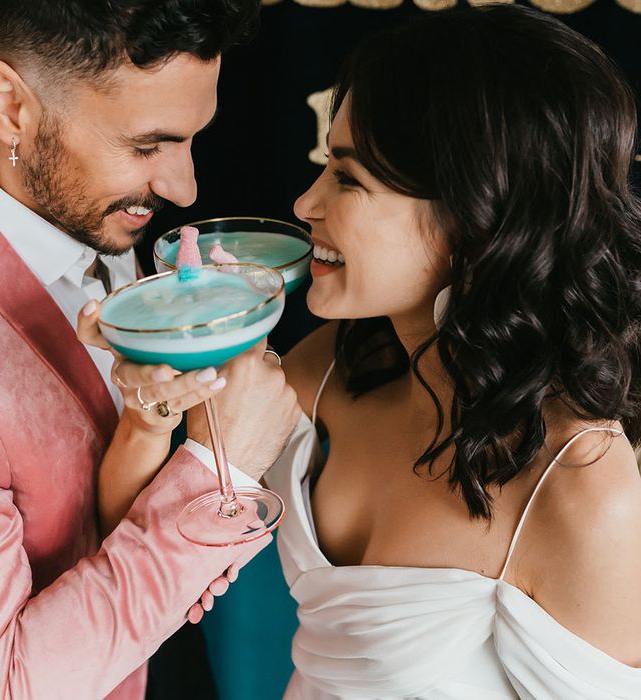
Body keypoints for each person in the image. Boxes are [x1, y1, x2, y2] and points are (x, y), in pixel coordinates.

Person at [0, 1, 300, 698]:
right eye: (146, 146)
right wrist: (222, 475)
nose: (183, 187)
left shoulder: (59, 196)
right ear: (9, 105)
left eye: (189, 141)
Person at [264, 6, 641, 698]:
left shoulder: (584, 489)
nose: (304, 201)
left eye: (348, 180)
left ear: (475, 219)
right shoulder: (320, 372)